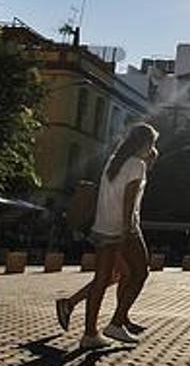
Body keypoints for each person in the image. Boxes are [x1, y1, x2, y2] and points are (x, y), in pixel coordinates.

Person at [56, 123, 159, 350]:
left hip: (102, 227)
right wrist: (127, 229)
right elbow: (129, 200)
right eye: (151, 144)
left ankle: (90, 333)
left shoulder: (114, 161)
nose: (152, 149)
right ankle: (116, 322)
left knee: (104, 279)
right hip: (125, 228)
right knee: (140, 273)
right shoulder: (137, 165)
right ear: (144, 144)